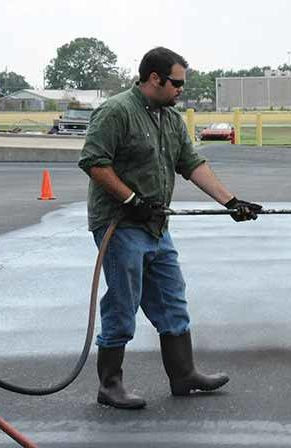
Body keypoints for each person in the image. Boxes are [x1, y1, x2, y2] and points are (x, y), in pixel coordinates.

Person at [78, 47, 262, 410]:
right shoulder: (116, 112)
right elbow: (94, 162)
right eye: (176, 83)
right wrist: (132, 200)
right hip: (120, 226)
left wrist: (231, 202)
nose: (181, 90)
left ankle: (183, 374)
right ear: (153, 79)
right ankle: (110, 384)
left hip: (155, 226)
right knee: (123, 302)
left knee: (172, 297)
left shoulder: (170, 118)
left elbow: (191, 164)